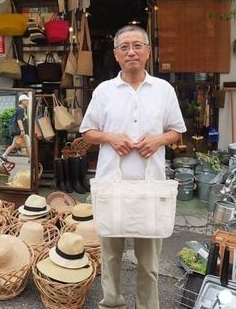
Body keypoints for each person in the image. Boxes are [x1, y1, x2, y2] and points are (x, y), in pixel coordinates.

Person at [79, 25, 186, 309]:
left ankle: (147, 306)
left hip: (150, 186)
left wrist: (159, 139)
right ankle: (111, 303)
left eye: (137, 45)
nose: (131, 52)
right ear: (116, 55)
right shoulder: (104, 91)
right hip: (112, 185)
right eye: (124, 47)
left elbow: (176, 130)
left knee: (149, 262)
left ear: (148, 51)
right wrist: (110, 137)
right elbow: (87, 131)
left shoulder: (164, 90)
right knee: (111, 256)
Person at [0, 94, 31, 162]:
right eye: (26, 100)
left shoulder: (20, 109)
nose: (27, 101)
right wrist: (22, 130)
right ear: (22, 101)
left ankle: (30, 159)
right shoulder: (20, 109)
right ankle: (4, 155)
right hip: (19, 131)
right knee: (24, 144)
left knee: (25, 144)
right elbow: (19, 120)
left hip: (19, 131)